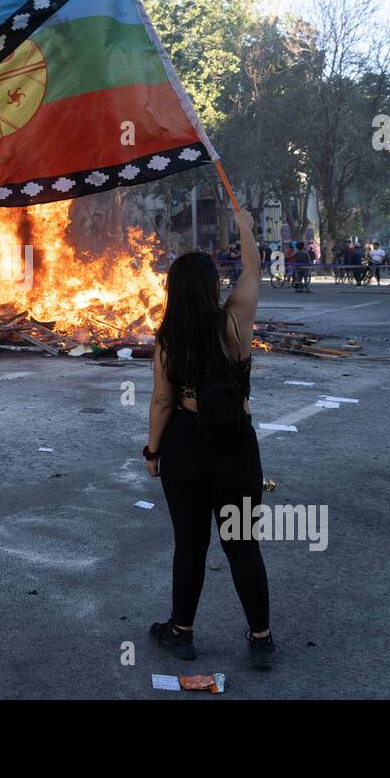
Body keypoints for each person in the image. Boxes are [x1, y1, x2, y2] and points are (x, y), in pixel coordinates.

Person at [145, 206, 273, 668]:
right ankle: (261, 639)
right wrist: (243, 226)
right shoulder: (236, 320)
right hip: (236, 443)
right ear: (213, 286)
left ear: (173, 290)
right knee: (242, 545)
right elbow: (254, 266)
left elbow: (162, 401)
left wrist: (153, 451)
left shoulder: (168, 337)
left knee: (190, 543)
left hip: (186, 446)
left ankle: (182, 632)